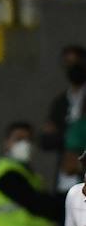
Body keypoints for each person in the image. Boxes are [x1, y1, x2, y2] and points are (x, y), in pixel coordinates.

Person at [41, 45, 86, 198]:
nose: (73, 67)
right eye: (68, 62)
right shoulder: (60, 102)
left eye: (78, 62)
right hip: (66, 178)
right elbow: (47, 140)